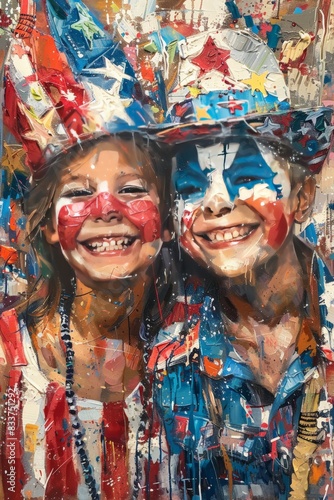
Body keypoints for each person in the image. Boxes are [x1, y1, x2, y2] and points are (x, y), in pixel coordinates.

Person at [147, 27, 334, 499]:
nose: (215, 203)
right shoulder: (164, 363)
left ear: (303, 197)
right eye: (190, 185)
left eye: (246, 174)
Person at [0, 0, 175, 498]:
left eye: (133, 189)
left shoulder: (189, 347)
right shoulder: (11, 357)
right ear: (51, 228)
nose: (106, 209)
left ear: (166, 218)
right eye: (78, 193)